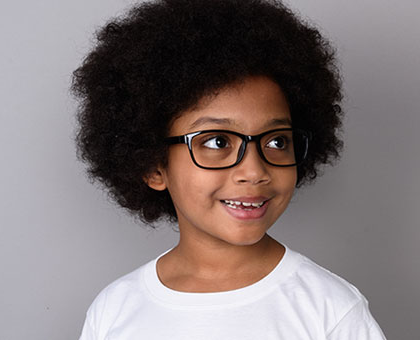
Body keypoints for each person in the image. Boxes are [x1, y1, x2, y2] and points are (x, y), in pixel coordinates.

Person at [72, 0, 386, 339]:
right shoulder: (115, 309)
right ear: (153, 165)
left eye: (277, 141)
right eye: (218, 142)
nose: (254, 171)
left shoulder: (330, 311)